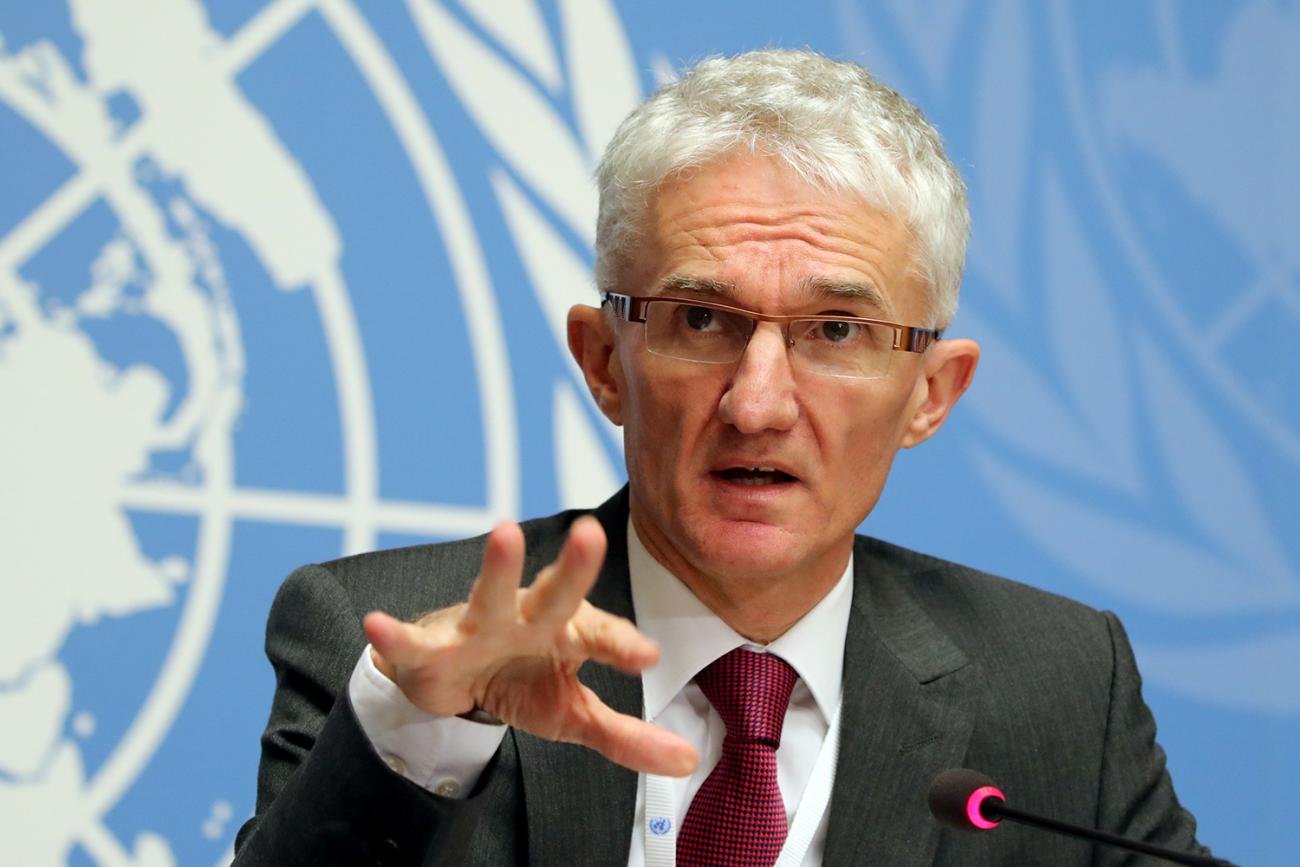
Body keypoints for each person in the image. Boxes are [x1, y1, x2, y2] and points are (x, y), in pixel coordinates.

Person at [233, 49, 1210, 866]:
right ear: (602, 362)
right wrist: (421, 731)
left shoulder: (1060, 685)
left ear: (930, 394)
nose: (757, 404)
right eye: (699, 319)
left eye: (835, 330)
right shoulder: (391, 647)